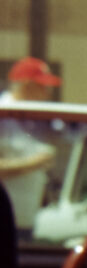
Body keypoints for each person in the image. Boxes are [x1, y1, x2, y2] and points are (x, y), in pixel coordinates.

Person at [0, 57, 61, 240]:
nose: (48, 94)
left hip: (27, 220)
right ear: (27, 85)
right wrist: (35, 163)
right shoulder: (2, 113)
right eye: (44, 86)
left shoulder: (36, 116)